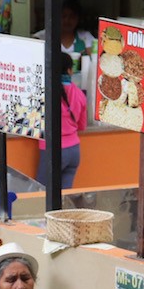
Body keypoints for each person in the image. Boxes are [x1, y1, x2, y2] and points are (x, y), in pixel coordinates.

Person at [36, 53, 87, 190]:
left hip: (53, 150)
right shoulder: (80, 93)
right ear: (70, 71)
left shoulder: (45, 93)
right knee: (64, 197)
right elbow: (82, 126)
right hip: (74, 151)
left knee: (41, 192)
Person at [33, 0, 97, 66]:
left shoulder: (85, 37)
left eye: (72, 16)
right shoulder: (44, 36)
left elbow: (94, 58)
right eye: (63, 16)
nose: (67, 20)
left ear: (78, 19)